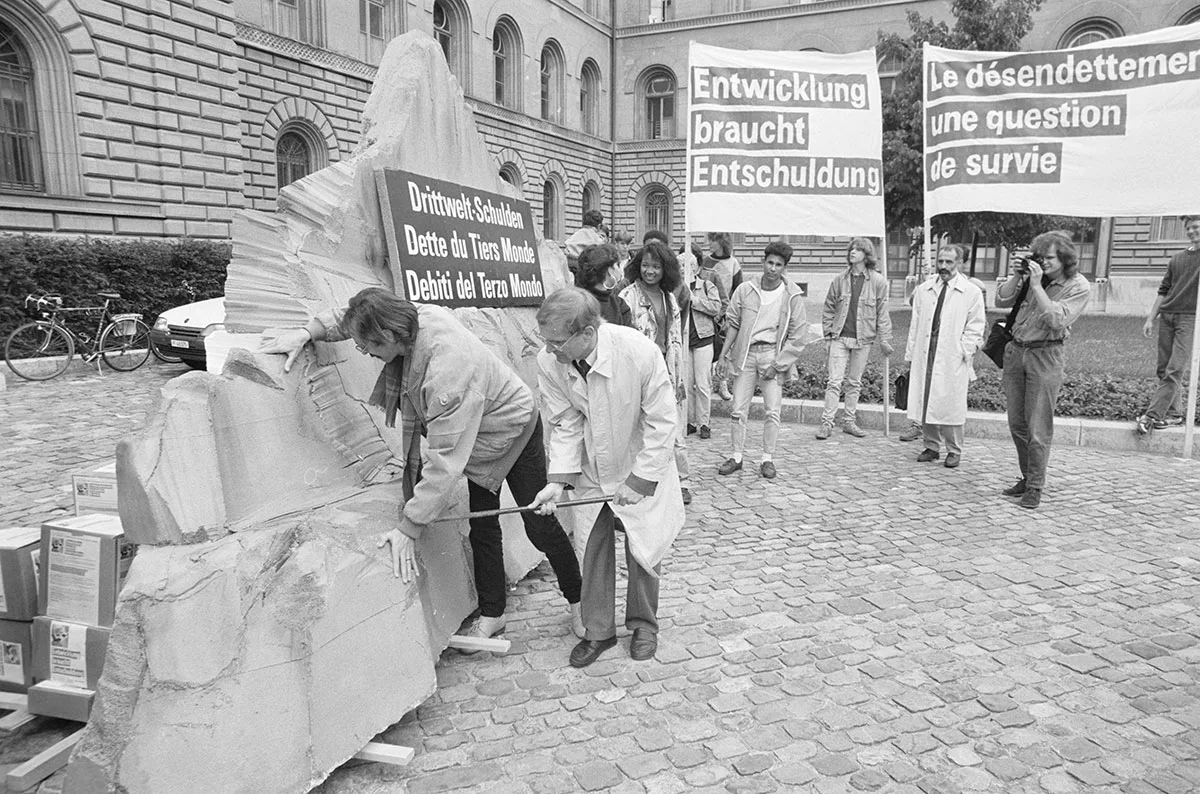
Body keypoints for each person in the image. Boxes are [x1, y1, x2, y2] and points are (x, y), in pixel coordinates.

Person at [258, 288, 584, 641]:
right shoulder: (407, 319)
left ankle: (580, 603)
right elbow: (354, 316)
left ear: (389, 337)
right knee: (483, 529)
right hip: (473, 439)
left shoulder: (447, 369)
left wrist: (408, 528)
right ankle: (494, 616)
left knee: (539, 524)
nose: (365, 353)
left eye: (369, 347)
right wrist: (308, 332)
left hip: (512, 431)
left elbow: (445, 462)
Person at [530, 288, 684, 668]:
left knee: (643, 548)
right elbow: (566, 421)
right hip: (592, 468)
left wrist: (640, 479)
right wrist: (558, 480)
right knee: (592, 549)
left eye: (556, 342)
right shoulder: (550, 362)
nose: (550, 350)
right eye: (545, 340)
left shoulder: (639, 352)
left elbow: (663, 422)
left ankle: (644, 624)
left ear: (586, 333)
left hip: (638, 460)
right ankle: (599, 630)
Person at [995, 231, 1091, 509]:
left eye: (1049, 258)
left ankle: (1035, 486)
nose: (1044, 263)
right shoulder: (1033, 278)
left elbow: (1057, 320)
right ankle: (1027, 476)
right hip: (1016, 351)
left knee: (1038, 426)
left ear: (1065, 258)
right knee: (1017, 424)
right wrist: (1017, 277)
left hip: (1046, 355)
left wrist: (1037, 285)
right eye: (1040, 257)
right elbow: (1001, 301)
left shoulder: (1077, 285)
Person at [716, 241, 810, 479]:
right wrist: (723, 355)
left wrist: (778, 364)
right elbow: (734, 324)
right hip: (746, 354)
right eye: (769, 262)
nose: (773, 268)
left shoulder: (792, 295)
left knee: (772, 411)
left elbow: (798, 336)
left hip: (772, 354)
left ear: (784, 268)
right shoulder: (746, 290)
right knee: (738, 409)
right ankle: (736, 456)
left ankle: (767, 458)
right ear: (763, 262)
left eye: (778, 265)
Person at [619, 241, 693, 504]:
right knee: (644, 431)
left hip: (668, 371)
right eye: (645, 265)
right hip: (640, 374)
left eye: (656, 266)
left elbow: (676, 336)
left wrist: (680, 375)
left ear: (666, 269)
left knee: (673, 428)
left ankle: (681, 481)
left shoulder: (670, 298)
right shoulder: (627, 297)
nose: (650, 271)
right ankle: (644, 481)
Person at [904, 243, 986, 468]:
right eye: (941, 261)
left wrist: (964, 349)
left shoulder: (970, 292)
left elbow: (976, 326)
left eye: (949, 262)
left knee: (950, 403)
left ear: (959, 263)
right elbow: (915, 323)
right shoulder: (925, 289)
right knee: (926, 398)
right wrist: (911, 354)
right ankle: (931, 446)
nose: (943, 266)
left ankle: (953, 449)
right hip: (926, 351)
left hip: (952, 355)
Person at [817, 238, 894, 439]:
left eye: (858, 249)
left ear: (866, 255)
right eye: (851, 248)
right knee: (834, 381)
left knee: (854, 382)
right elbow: (828, 308)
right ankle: (827, 423)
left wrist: (885, 339)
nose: (853, 252)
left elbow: (882, 312)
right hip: (839, 337)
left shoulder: (878, 281)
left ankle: (849, 421)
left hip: (864, 338)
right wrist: (827, 336)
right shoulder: (839, 280)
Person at [1135, 215, 1200, 435]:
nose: (1192, 231)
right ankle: (1174, 414)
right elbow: (1163, 290)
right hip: (1168, 315)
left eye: (1196, 227)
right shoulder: (1177, 259)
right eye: (1189, 228)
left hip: (1190, 318)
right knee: (1164, 368)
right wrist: (1150, 318)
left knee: (1175, 368)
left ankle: (1152, 416)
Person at [686, 244, 723, 440]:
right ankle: (690, 421)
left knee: (702, 383)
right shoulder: (677, 288)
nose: (687, 268)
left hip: (703, 339)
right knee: (687, 383)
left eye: (690, 264)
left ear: (697, 268)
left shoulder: (707, 286)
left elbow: (716, 307)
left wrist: (695, 301)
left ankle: (704, 423)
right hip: (684, 342)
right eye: (683, 264)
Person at [703, 232, 743, 402]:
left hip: (727, 312)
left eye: (713, 240)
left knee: (725, 350)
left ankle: (723, 383)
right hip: (709, 310)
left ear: (722, 241)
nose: (710, 243)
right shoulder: (706, 261)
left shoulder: (733, 263)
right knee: (708, 348)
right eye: (709, 239)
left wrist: (731, 311)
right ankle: (707, 383)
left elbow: (738, 288)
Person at [575, 243, 633, 327]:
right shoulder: (619, 305)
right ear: (609, 270)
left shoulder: (574, 302)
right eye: (617, 265)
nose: (620, 269)